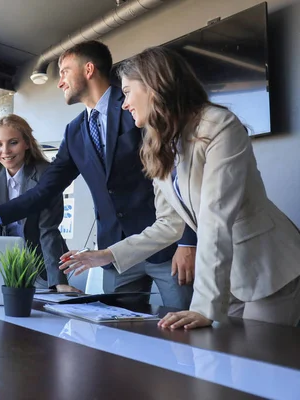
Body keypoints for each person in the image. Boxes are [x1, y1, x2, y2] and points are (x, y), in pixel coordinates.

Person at [60, 46, 300, 329]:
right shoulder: (160, 143)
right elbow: (168, 224)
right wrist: (108, 254)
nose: (124, 104)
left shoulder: (218, 126)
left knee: (262, 364)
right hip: (228, 276)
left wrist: (202, 307)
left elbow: (216, 217)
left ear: (153, 86)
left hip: (269, 270)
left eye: (126, 92)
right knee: (226, 363)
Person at [0, 41, 195, 308]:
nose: (60, 82)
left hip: (168, 247)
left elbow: (177, 173)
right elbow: (44, 190)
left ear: (89, 69)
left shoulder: (135, 106)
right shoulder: (74, 132)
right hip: (115, 254)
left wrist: (188, 242)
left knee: (182, 332)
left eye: (64, 71)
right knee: (119, 336)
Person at [0, 114, 74, 291]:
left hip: (41, 262)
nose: (5, 151)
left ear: (26, 143)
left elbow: (48, 230)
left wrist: (58, 282)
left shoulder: (45, 174)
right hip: (7, 262)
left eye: (13, 142)